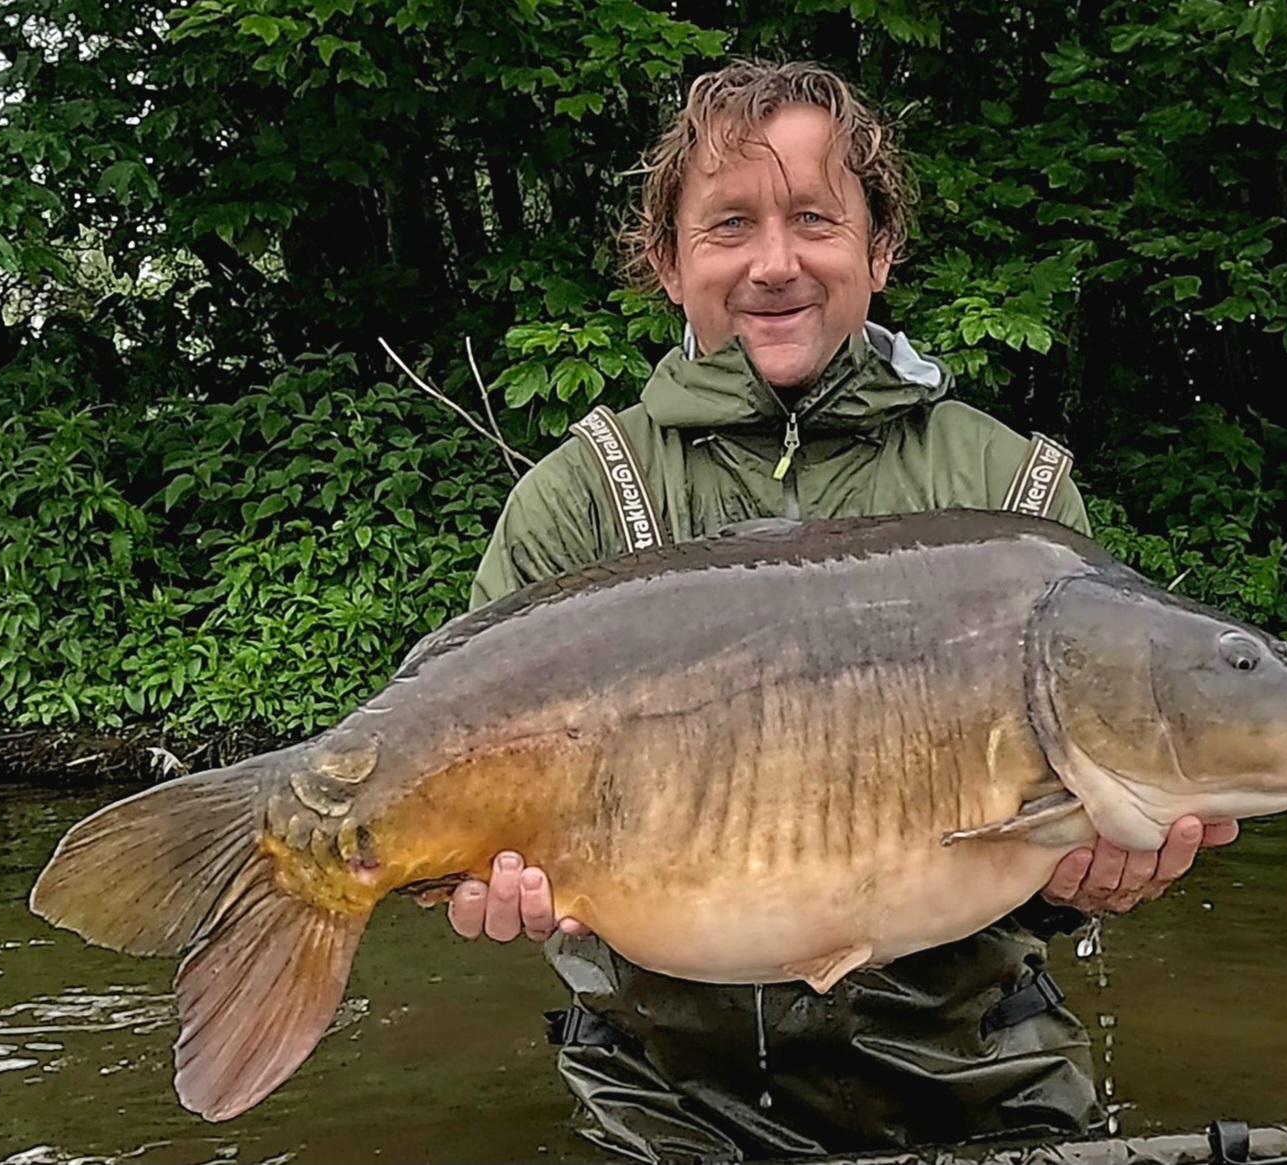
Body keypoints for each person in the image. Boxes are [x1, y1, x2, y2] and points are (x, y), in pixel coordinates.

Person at [436, 60, 1237, 1164]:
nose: (775, 263)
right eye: (729, 225)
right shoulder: (577, 502)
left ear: (878, 245)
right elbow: (459, 773)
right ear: (668, 261)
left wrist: (1083, 883)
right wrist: (474, 875)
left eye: (813, 218)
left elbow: (1047, 852)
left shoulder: (1016, 501)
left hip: (973, 1071)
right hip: (664, 1088)